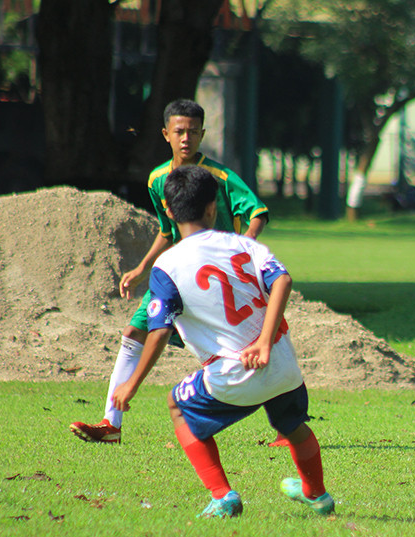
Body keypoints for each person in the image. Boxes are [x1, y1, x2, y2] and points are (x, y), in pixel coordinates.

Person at [110, 165, 332, 518]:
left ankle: (222, 495)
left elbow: (160, 330)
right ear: (214, 206)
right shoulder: (245, 244)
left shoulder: (167, 265)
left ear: (167, 210)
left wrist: (131, 384)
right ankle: (317, 496)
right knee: (292, 425)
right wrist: (263, 341)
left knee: (177, 405)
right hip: (284, 367)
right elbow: (283, 281)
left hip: (233, 376)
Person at [70, 99, 269, 443]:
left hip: (216, 275)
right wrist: (142, 267)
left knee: (249, 345)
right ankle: (111, 424)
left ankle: (289, 420)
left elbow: (258, 212)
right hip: (177, 272)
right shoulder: (157, 180)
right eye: (179, 131)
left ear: (203, 133)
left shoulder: (221, 177)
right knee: (134, 332)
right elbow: (167, 230)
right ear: (166, 134)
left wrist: (246, 245)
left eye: (193, 131)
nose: (186, 138)